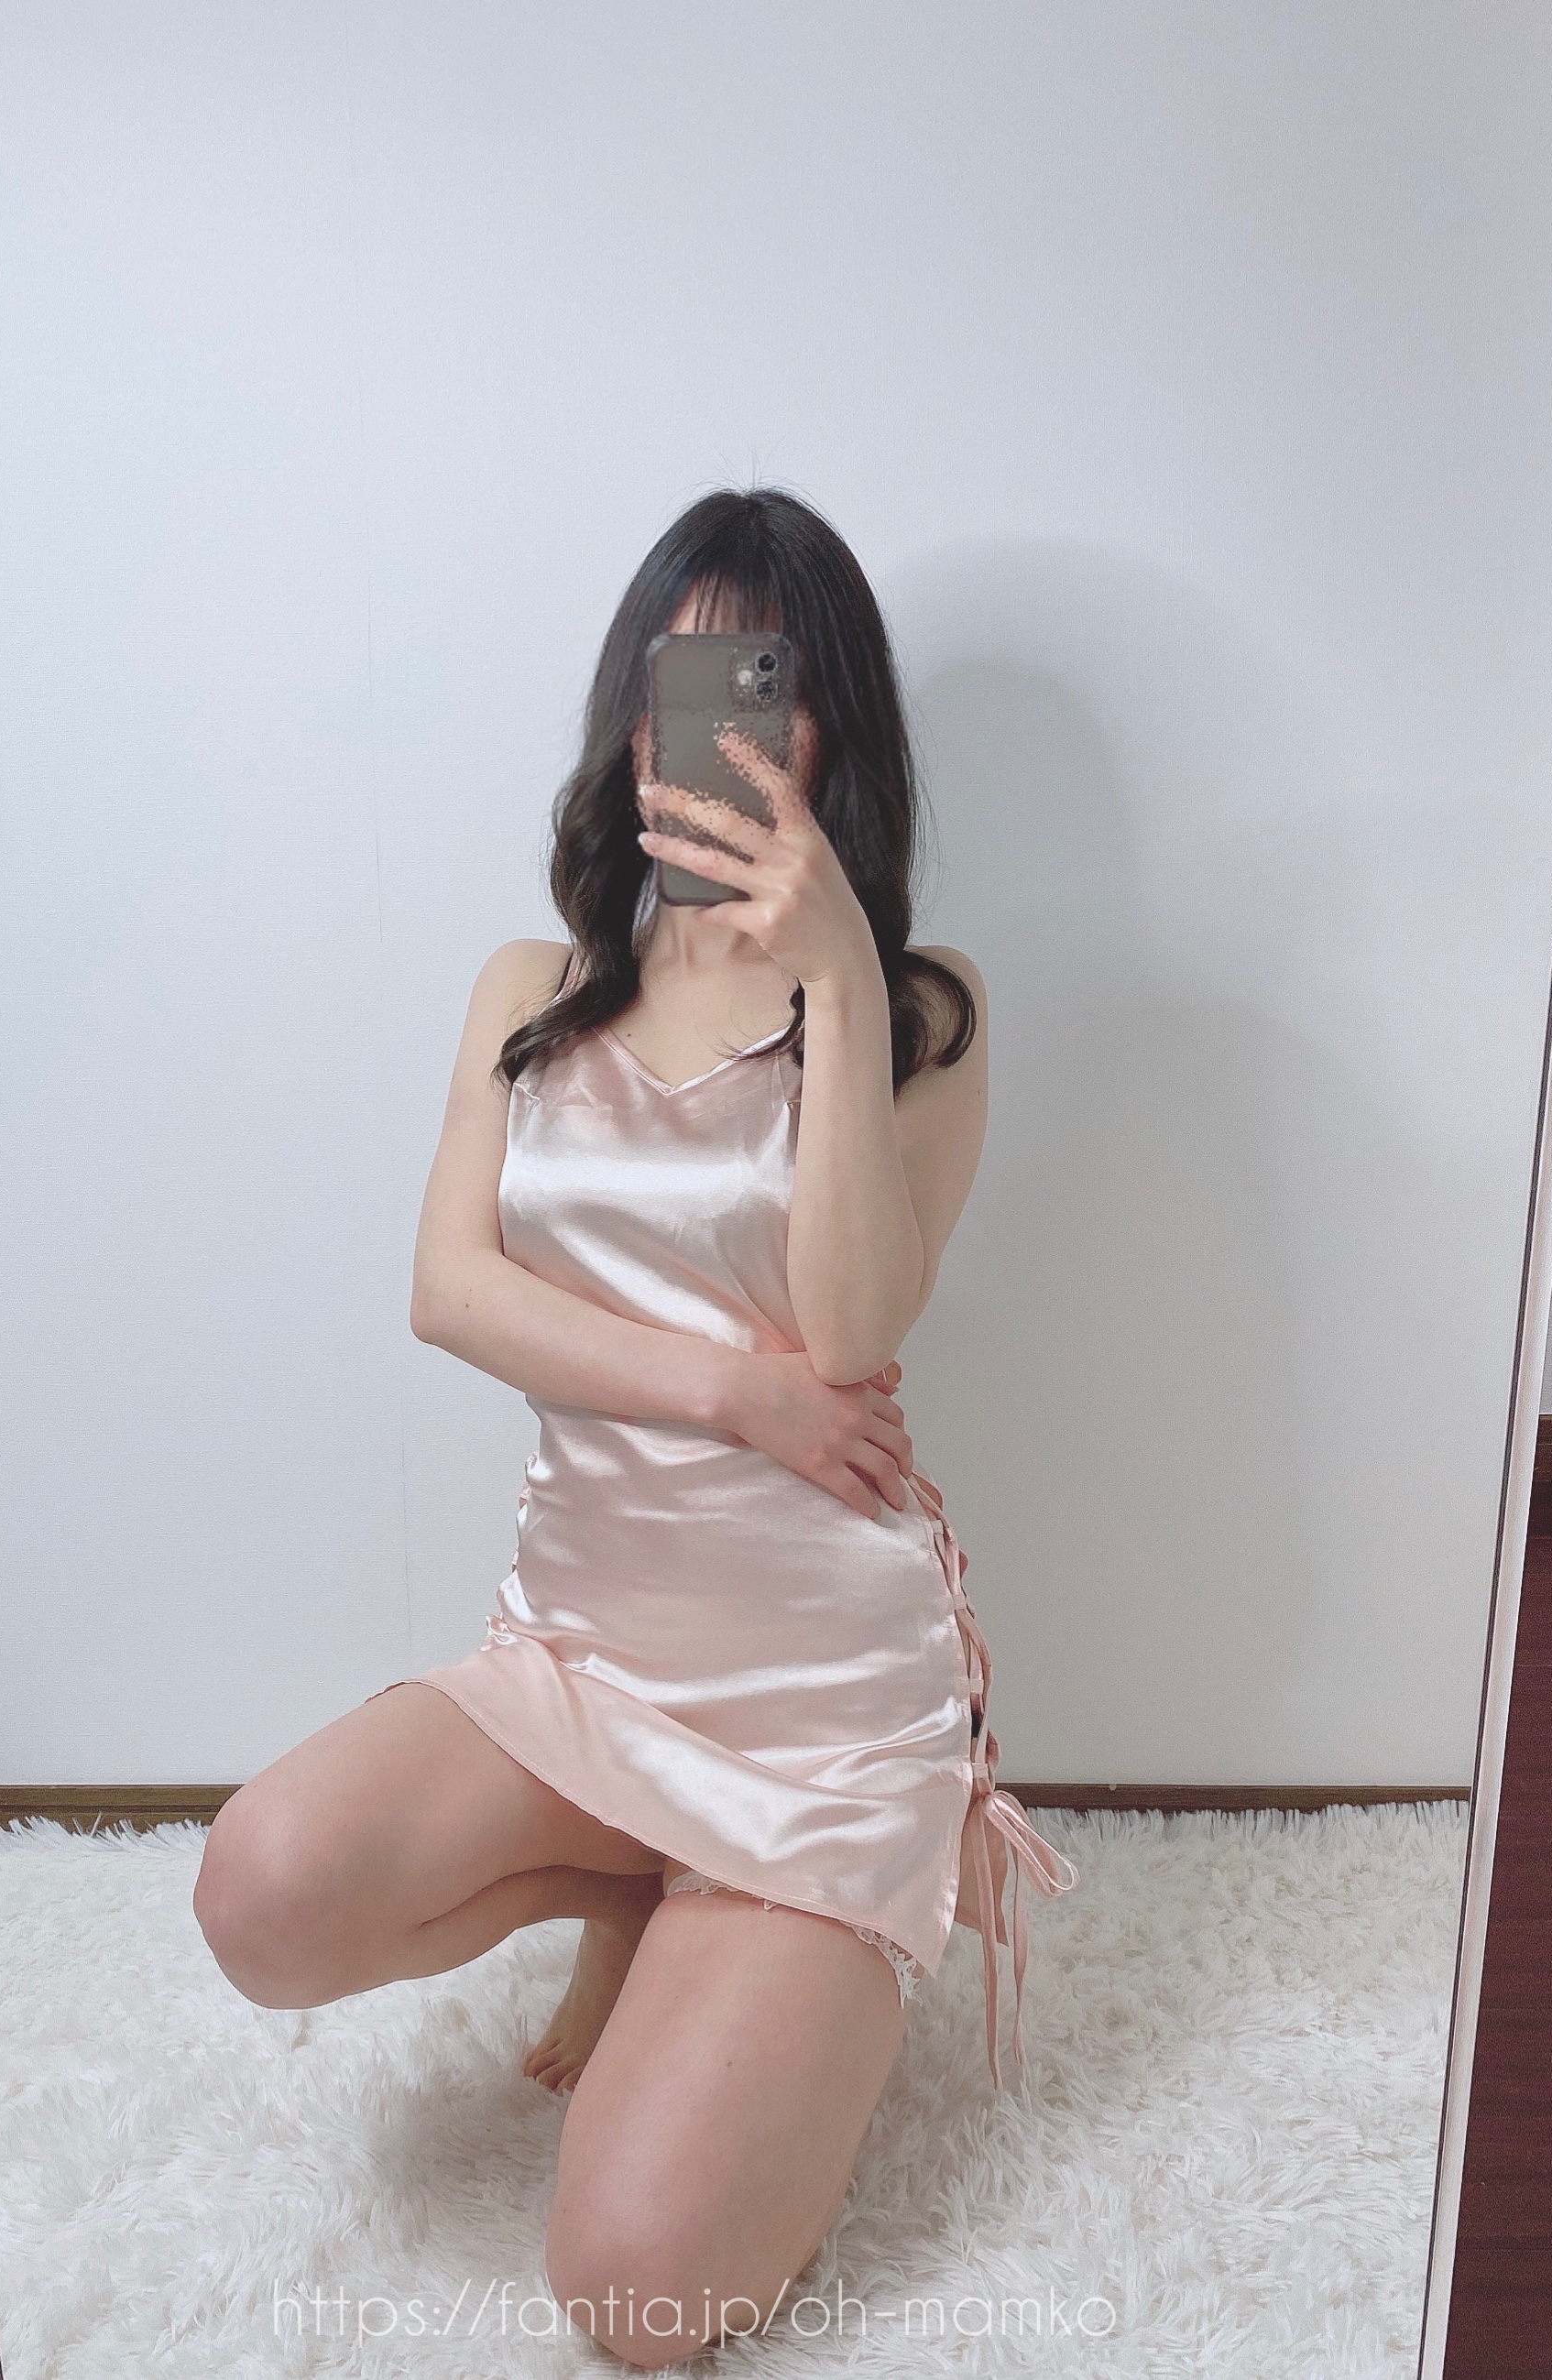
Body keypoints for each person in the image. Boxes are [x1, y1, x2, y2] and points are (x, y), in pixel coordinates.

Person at [193, 486, 1075, 2368]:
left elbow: (856, 1325)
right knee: (259, 1895)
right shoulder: (534, 992)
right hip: (584, 1660)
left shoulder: (922, 1012)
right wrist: (728, 1388)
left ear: (832, 725)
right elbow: (450, 1288)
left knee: (635, 2291)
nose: (723, 723)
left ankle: (817, 1920)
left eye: (769, 682)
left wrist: (835, 970)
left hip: (819, 1720)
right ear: (633, 710)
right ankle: (635, 1873)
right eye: (690, 676)